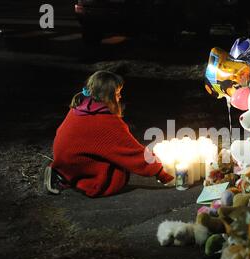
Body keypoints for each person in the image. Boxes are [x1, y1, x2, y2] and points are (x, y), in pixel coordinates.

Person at [44, 70, 173, 197]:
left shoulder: (80, 106)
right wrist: (161, 173)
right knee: (118, 173)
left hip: (64, 161)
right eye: (117, 93)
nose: (120, 97)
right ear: (108, 95)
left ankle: (62, 175)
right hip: (78, 162)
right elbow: (132, 152)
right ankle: (79, 180)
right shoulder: (106, 121)